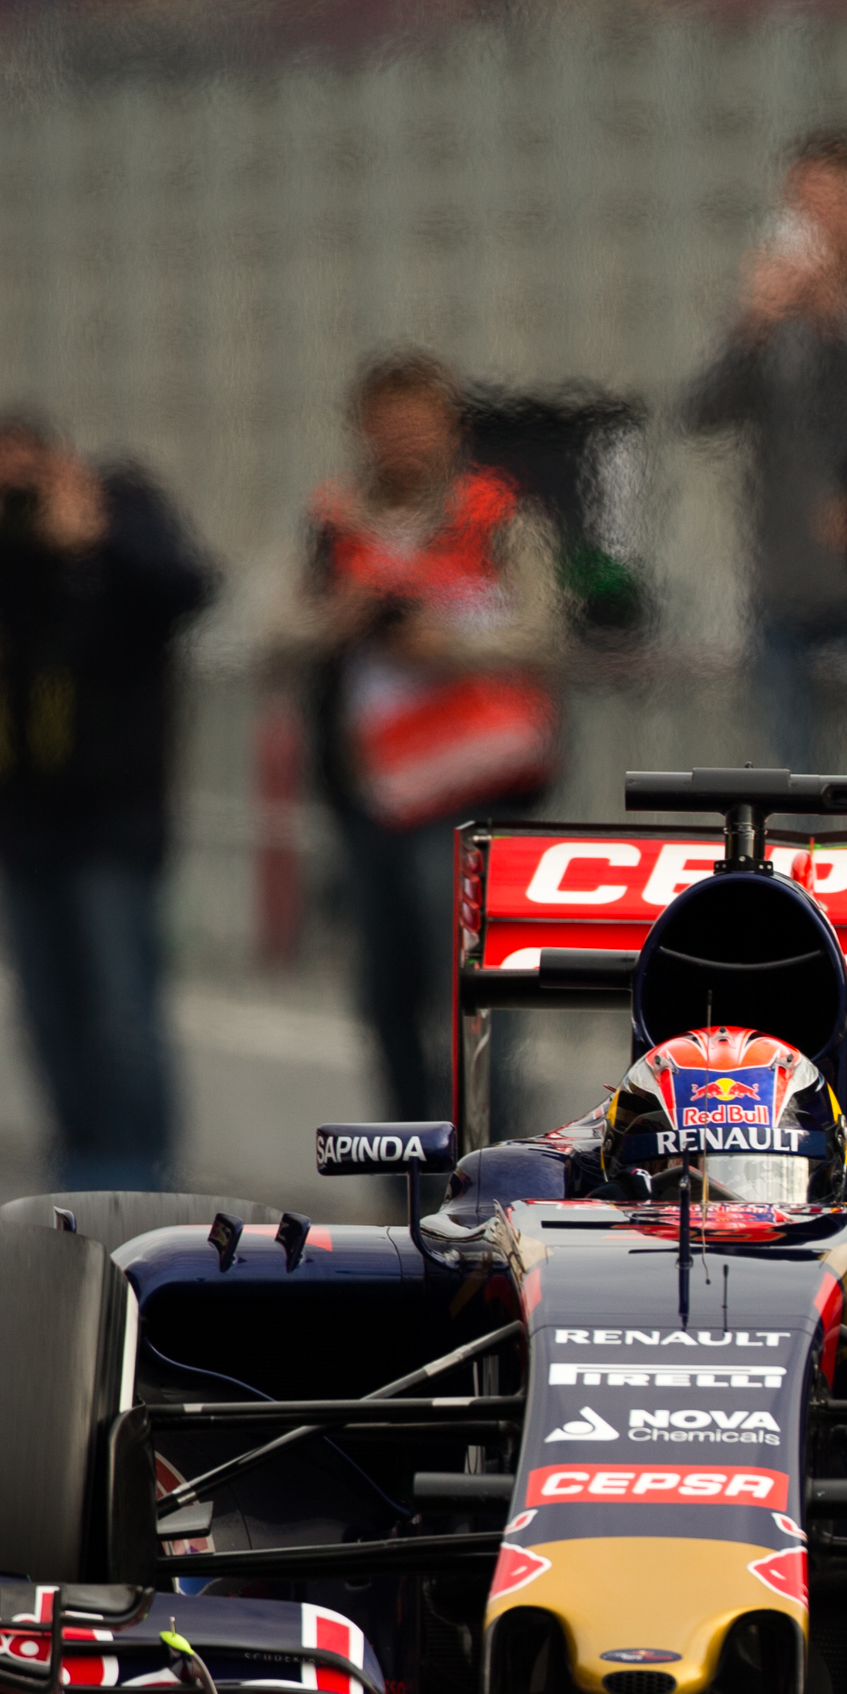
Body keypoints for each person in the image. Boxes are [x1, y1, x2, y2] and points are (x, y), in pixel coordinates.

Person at [0, 407, 220, 1191]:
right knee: (47, 1010)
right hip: (21, 817)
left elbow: (187, 590)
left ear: (61, 461)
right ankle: (80, 1163)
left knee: (122, 1008)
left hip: (115, 814)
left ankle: (140, 1171)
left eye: (29, 471)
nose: (17, 489)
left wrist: (94, 541)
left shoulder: (118, 507)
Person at [277, 349, 565, 1119]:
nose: (403, 440)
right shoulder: (333, 523)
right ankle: (409, 1166)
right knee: (385, 995)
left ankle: (492, 1156)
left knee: (473, 993)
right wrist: (337, 618)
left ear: (451, 428)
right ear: (362, 430)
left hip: (473, 788)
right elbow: (269, 629)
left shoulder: (497, 515)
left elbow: (546, 628)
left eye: (419, 423)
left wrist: (452, 643)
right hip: (370, 791)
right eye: (388, 425)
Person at [679, 128, 847, 771]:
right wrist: (750, 325)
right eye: (799, 203)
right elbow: (701, 413)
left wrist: (836, 313)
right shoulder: (774, 315)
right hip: (781, 580)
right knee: (790, 776)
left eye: (826, 201)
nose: (810, 220)